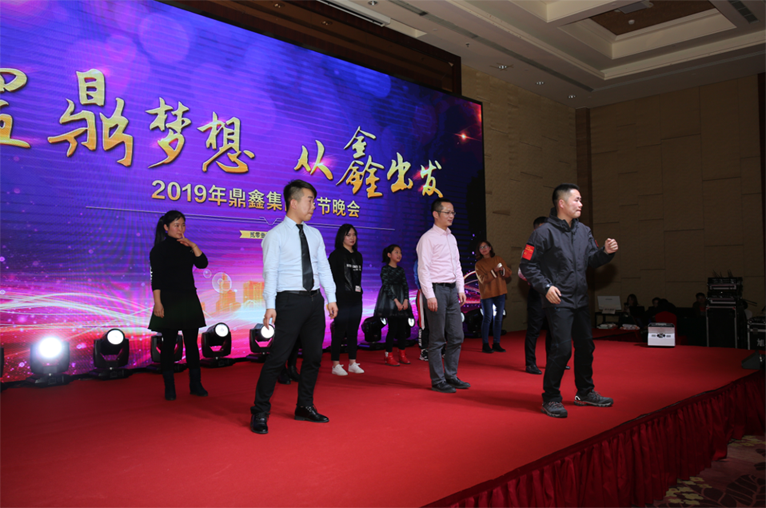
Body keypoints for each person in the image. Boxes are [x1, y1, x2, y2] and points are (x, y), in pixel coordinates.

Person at [519, 183, 618, 418]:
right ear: (561, 203)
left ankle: (585, 392)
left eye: (581, 200)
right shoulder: (543, 233)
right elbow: (527, 265)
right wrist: (546, 287)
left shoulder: (584, 231)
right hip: (558, 300)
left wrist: (605, 252)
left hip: (580, 299)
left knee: (586, 347)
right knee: (562, 349)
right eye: (577, 200)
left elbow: (591, 260)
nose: (581, 204)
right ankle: (551, 398)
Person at [249, 180, 338, 435]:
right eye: (310, 200)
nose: (313, 205)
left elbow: (323, 268)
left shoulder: (315, 234)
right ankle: (260, 411)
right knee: (278, 358)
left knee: (313, 357)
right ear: (293, 202)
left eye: (314, 201)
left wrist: (330, 297)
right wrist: (270, 305)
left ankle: (304, 406)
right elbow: (270, 272)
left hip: (314, 301)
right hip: (288, 301)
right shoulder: (275, 235)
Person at [148, 210, 209, 401]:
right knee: (168, 345)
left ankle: (196, 384)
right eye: (176, 225)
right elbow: (156, 279)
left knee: (192, 344)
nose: (180, 229)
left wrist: (193, 245)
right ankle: (169, 387)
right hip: (169, 300)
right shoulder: (159, 250)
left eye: (183, 225)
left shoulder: (187, 247)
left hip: (188, 298)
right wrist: (158, 303)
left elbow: (203, 264)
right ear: (166, 227)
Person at [416, 198, 469, 393]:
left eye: (453, 212)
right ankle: (438, 380)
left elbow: (457, 265)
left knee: (457, 336)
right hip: (436, 290)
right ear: (436, 214)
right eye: (447, 212)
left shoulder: (451, 238)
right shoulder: (427, 238)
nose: (451, 216)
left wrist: (461, 289)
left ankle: (451, 376)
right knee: (437, 338)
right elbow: (423, 269)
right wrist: (430, 295)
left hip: (452, 290)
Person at [328, 224, 364, 376]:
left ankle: (352, 363)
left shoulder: (358, 256)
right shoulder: (335, 255)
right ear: (341, 236)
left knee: (353, 331)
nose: (352, 238)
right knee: (340, 331)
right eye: (348, 235)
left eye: (354, 235)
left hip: (356, 298)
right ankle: (335, 365)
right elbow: (330, 280)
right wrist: (332, 300)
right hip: (341, 299)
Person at [374, 244, 413, 366]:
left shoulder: (401, 270)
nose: (399, 255)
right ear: (389, 255)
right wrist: (396, 301)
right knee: (393, 329)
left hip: (402, 300)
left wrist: (405, 300)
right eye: (396, 252)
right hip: (390, 302)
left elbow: (405, 285)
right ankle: (389, 355)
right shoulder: (385, 269)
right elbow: (386, 286)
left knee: (402, 330)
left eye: (400, 252)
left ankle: (402, 354)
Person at [520, 216, 549, 375]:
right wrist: (536, 279)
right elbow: (521, 272)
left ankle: (553, 360)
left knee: (554, 329)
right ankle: (530, 363)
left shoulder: (555, 246)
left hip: (554, 293)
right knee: (534, 330)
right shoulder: (530, 248)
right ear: (535, 230)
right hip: (537, 293)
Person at [474, 239, 511, 353]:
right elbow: (483, 279)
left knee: (499, 318)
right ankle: (485, 344)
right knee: (487, 318)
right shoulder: (479, 264)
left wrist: (502, 270)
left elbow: (508, 273)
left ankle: (496, 343)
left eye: (485, 246)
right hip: (487, 294)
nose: (484, 249)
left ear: (490, 248)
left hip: (500, 292)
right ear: (479, 251)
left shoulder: (498, 259)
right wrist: (494, 271)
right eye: (481, 247)